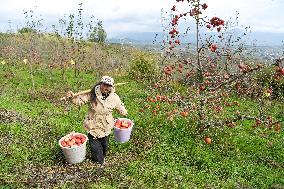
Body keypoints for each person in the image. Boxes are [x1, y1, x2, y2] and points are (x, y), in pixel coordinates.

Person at [66, 76, 128, 167]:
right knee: (95, 147)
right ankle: (99, 163)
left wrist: (124, 112)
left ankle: (101, 157)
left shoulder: (114, 97)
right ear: (100, 84)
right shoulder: (92, 94)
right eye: (104, 85)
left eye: (108, 86)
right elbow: (79, 101)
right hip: (93, 126)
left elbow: (120, 106)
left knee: (104, 145)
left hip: (106, 126)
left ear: (112, 87)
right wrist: (71, 98)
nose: (105, 87)